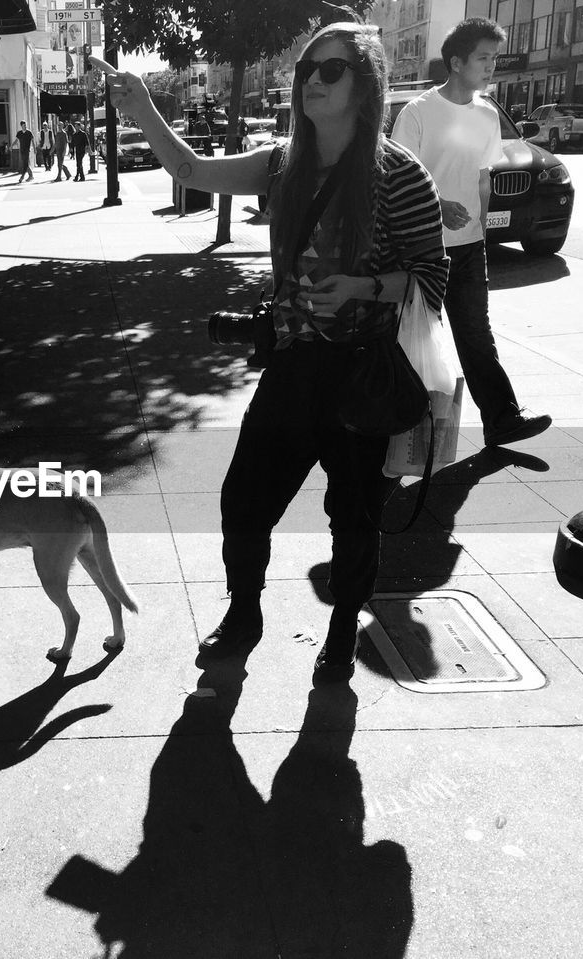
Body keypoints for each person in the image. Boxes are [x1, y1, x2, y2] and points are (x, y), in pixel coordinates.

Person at [94, 20, 448, 684]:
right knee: (244, 501)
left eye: (332, 70)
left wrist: (362, 287)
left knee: (353, 514)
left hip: (364, 370)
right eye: (307, 69)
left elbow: (433, 279)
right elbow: (191, 170)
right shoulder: (284, 162)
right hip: (294, 367)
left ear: (364, 83)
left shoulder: (401, 177)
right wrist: (141, 106)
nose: (313, 79)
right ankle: (246, 614)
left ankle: (343, 627)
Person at [391, 18, 550, 447]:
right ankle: (396, 428)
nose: (491, 66)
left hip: (469, 247)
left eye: (494, 58)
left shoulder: (485, 113)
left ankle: (502, 418)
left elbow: (483, 176)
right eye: (484, 57)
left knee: (476, 334)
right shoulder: (418, 113)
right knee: (414, 339)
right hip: (422, 251)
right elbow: (394, 180)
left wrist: (482, 226)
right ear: (456, 62)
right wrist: (438, 207)